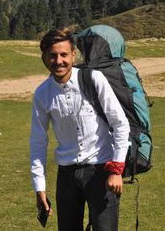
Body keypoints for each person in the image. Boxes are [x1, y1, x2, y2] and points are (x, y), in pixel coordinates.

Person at [30, 27, 130, 231]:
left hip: (102, 170)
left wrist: (116, 170)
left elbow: (120, 123)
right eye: (52, 56)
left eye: (64, 55)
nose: (58, 61)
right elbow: (38, 142)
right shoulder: (42, 94)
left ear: (73, 55)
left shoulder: (94, 79)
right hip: (66, 176)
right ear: (44, 58)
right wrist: (39, 188)